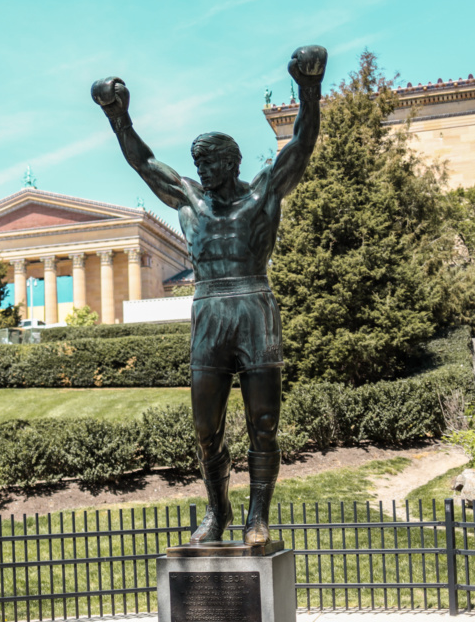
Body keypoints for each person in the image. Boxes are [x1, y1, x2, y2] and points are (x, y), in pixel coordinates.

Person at [91, 45, 326, 547]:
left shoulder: (263, 192)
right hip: (208, 312)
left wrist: (309, 87)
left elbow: (301, 146)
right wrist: (118, 117)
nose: (206, 169)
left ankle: (257, 518)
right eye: (200, 161)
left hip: (253, 306)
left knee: (263, 423)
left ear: (233, 161)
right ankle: (217, 513)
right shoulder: (190, 199)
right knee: (205, 428)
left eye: (213, 161)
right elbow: (145, 162)